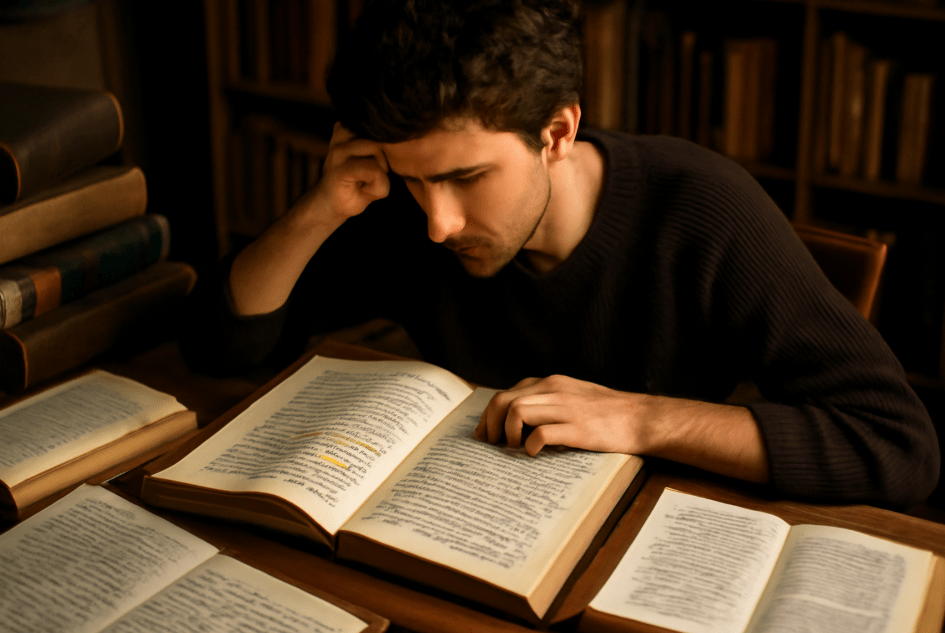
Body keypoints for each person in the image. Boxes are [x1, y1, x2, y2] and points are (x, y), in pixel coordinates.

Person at [180, 0, 939, 508]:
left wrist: (639, 418)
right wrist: (323, 207)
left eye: (466, 177)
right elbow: (220, 346)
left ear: (556, 133)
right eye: (415, 180)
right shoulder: (401, 206)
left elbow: (898, 444)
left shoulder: (703, 209)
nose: (439, 223)